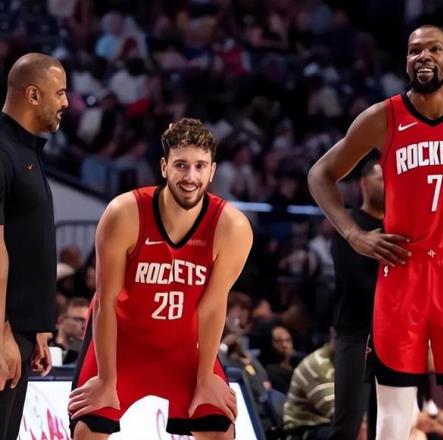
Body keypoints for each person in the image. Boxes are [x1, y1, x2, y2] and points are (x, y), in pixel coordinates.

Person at [308, 24, 443, 440]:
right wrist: (353, 234)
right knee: (392, 421)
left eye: (434, 49)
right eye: (415, 51)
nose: (423, 56)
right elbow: (320, 174)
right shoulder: (383, 117)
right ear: (406, 62)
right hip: (402, 274)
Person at [68, 118, 253, 440]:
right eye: (181, 165)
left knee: (219, 431)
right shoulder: (124, 212)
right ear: (164, 166)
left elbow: (212, 307)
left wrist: (206, 377)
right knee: (87, 432)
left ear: (212, 171)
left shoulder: (232, 226)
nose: (191, 177)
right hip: (122, 344)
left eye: (200, 166)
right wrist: (106, 380)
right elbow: (105, 302)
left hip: (184, 347)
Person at [0, 53, 68, 440]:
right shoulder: (2, 150)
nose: (66, 102)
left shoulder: (26, 151)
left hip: (20, 332)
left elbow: (28, 243)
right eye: (60, 93)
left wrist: (37, 328)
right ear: (32, 95)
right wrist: (1, 333)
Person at [330, 159, 383, 440]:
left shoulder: (400, 226)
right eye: (381, 179)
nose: (388, 186)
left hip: (393, 335)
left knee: (387, 424)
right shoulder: (350, 225)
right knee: (348, 424)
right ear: (363, 183)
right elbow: (355, 280)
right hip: (357, 333)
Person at [282, 336, 335, 440]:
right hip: (305, 428)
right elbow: (336, 413)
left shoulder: (348, 362)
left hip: (326, 424)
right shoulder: (317, 364)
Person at [51, 297, 90, 364]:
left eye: (88, 321)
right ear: (61, 320)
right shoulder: (43, 346)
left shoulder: (87, 352)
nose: (84, 326)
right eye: (79, 320)